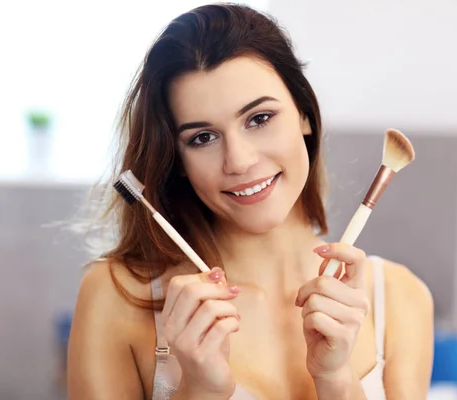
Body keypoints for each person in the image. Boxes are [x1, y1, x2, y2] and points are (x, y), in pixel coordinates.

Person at [66, 3, 434, 399]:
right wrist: (201, 390)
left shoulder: (400, 298)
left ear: (304, 114)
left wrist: (337, 380)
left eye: (259, 118)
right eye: (202, 138)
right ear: (179, 161)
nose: (239, 161)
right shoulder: (117, 299)